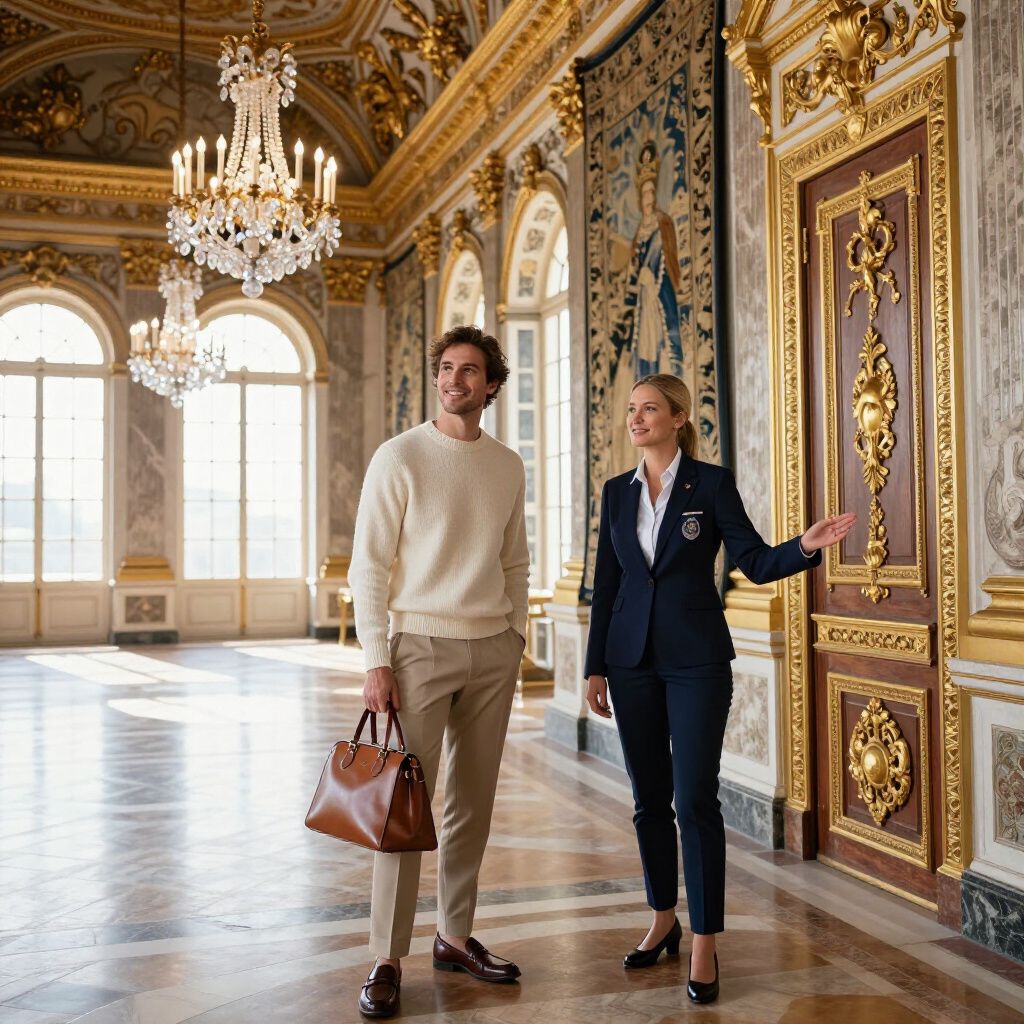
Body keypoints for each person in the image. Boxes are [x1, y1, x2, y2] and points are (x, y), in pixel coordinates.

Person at [583, 373, 854, 1005]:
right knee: (648, 798)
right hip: (630, 664)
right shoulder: (616, 493)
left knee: (693, 797)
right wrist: (596, 666)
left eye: (649, 408)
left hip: (697, 661)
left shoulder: (711, 484)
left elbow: (753, 561)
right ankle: (662, 918)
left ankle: (704, 939)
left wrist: (804, 548)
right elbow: (607, 582)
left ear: (679, 418)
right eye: (631, 410)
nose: (637, 418)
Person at [348, 324, 530, 1019]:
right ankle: (386, 956)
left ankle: (455, 935)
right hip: (418, 646)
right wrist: (376, 660)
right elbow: (370, 566)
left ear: (491, 384)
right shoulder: (399, 458)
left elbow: (515, 559)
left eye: (469, 370)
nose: (454, 380)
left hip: (493, 651)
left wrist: (514, 633)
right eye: (446, 369)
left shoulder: (508, 466)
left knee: (470, 806)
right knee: (403, 809)